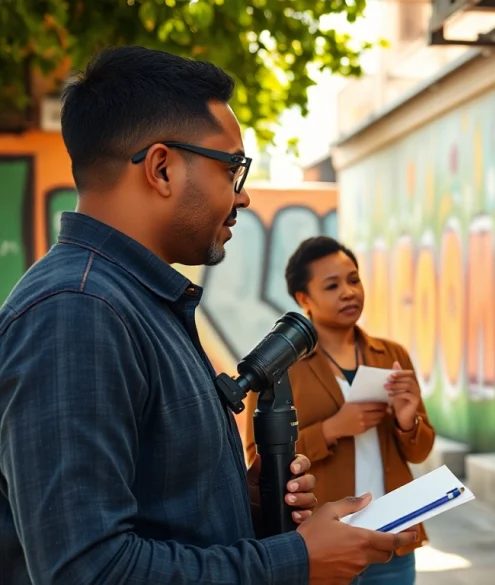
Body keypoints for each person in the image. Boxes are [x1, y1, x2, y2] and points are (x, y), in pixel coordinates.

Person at [0, 46, 414, 585]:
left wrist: (240, 503)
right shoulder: (78, 311)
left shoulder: (135, 300)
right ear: (162, 167)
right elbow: (89, 570)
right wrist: (297, 561)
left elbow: (152, 514)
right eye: (232, 169)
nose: (241, 198)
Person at [283, 235, 436, 585]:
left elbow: (420, 451)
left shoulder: (390, 354)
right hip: (324, 543)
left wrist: (407, 418)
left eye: (354, 280)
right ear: (304, 298)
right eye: (332, 285)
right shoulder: (284, 366)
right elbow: (259, 458)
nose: (349, 292)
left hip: (392, 536)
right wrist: (330, 430)